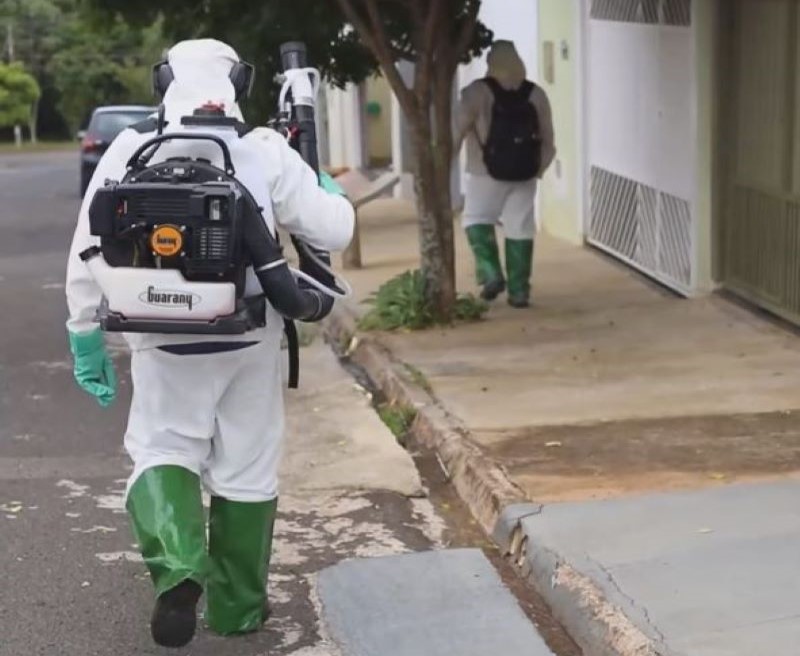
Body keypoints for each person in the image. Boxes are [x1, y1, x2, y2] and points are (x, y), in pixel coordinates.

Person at [64, 39, 354, 648]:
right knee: (247, 466)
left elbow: (86, 250)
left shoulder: (127, 148)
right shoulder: (264, 150)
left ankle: (177, 570)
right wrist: (324, 186)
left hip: (160, 341)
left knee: (163, 447)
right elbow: (335, 229)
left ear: (163, 80)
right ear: (242, 83)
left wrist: (85, 333)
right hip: (248, 336)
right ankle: (237, 609)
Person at [455, 40, 556, 308]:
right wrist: (538, 169)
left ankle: (491, 272)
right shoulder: (536, 94)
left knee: (476, 219)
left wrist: (444, 164)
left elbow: (455, 132)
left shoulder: (476, 93)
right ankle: (520, 292)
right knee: (520, 228)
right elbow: (548, 139)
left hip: (483, 173)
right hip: (525, 174)